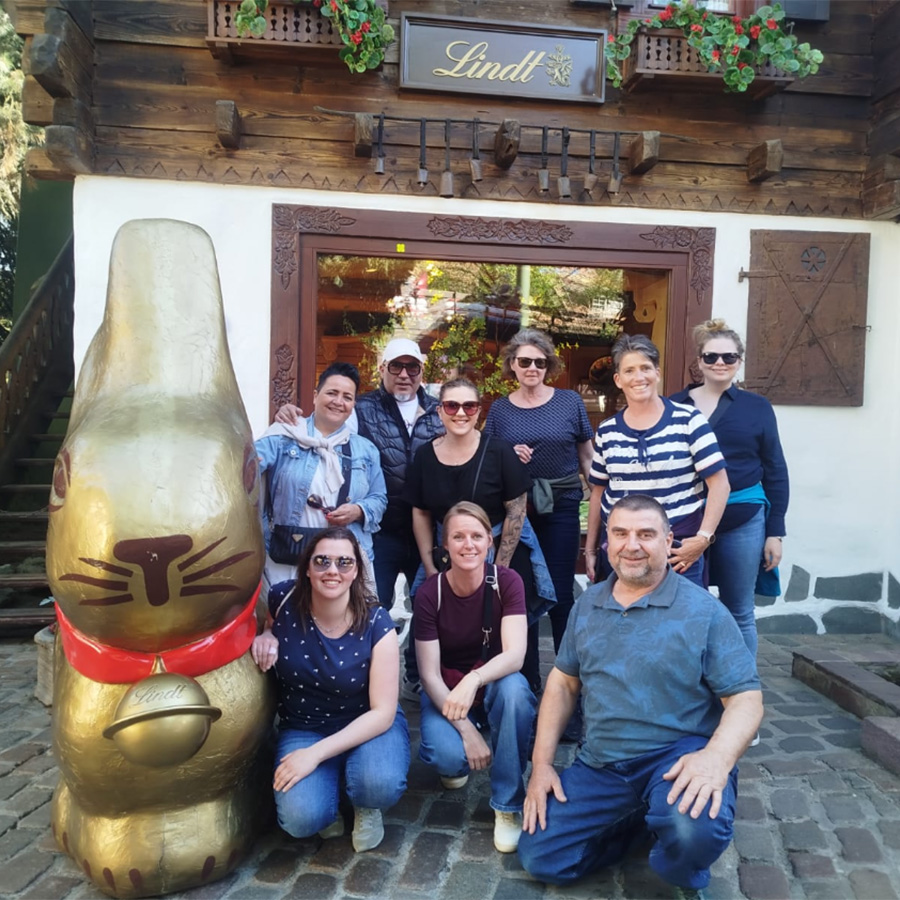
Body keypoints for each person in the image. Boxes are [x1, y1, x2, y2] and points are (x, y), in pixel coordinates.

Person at [518, 495, 763, 891]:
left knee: (693, 833)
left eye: (646, 534)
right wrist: (542, 765)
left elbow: (745, 699)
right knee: (542, 856)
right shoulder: (587, 606)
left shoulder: (704, 612)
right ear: (607, 542)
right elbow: (563, 684)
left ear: (668, 542)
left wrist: (716, 759)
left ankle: (677, 854)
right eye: (620, 533)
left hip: (677, 759)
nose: (631, 545)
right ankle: (647, 821)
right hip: (602, 764)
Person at [251, 527, 409, 852]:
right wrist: (265, 636)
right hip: (305, 725)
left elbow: (382, 713)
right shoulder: (282, 599)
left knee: (378, 784)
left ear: (356, 571)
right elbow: (269, 625)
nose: (332, 570)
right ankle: (327, 801)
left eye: (344, 562)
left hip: (366, 722)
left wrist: (314, 755)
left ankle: (365, 803)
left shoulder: (376, 622)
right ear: (307, 568)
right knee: (301, 820)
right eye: (321, 561)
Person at [403, 377, 556, 695]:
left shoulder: (499, 451)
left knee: (513, 621)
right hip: (448, 548)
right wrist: (429, 565)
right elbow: (420, 512)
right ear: (440, 411)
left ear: (479, 411)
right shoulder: (425, 456)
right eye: (452, 406)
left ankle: (519, 694)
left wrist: (498, 568)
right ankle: (444, 689)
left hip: (501, 546)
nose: (461, 413)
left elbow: (516, 509)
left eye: (469, 406)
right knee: (444, 620)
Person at [275, 339, 443, 614]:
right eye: (396, 366)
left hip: (428, 530)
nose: (404, 374)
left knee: (431, 609)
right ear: (382, 369)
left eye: (412, 367)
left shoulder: (440, 411)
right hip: (381, 531)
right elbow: (327, 437)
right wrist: (291, 418)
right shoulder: (360, 409)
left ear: (421, 372)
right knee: (370, 607)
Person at [415, 502, 536, 854]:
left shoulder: (507, 582)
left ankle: (507, 804)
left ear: (489, 542)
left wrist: (474, 679)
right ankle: (464, 746)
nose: (468, 544)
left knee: (515, 692)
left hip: (492, 681)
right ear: (445, 545)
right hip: (447, 689)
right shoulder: (430, 592)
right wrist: (467, 732)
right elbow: (428, 675)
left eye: (476, 536)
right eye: (458, 537)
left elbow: (515, 655)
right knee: (448, 758)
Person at [482, 328, 593, 710]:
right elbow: (488, 458)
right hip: (517, 512)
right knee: (522, 594)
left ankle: (568, 691)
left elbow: (587, 456)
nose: (532, 368)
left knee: (560, 595)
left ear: (550, 366)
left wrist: (602, 498)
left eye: (540, 362)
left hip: (562, 506)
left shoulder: (569, 402)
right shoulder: (500, 410)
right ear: (512, 365)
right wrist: (509, 454)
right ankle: (527, 687)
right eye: (525, 361)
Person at [670, 319, 789, 660]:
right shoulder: (675, 406)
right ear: (699, 361)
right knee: (685, 605)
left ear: (739, 360)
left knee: (739, 610)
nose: (720, 363)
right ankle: (691, 681)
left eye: (729, 357)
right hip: (688, 519)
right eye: (711, 357)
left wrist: (775, 533)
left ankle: (742, 684)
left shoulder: (757, 407)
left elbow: (775, 470)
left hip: (742, 517)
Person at [584, 334, 730, 588]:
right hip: (623, 550)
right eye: (629, 370)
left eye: (645, 368)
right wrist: (590, 549)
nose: (638, 377)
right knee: (624, 612)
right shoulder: (608, 431)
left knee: (682, 612)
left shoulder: (689, 420)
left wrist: (702, 538)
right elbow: (598, 493)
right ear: (618, 379)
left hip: (678, 550)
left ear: (657, 373)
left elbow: (720, 484)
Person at [256, 362, 387, 592]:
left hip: (342, 561)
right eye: (332, 393)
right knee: (289, 612)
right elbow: (246, 468)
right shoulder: (284, 436)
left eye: (347, 397)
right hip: (289, 555)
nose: (339, 401)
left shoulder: (366, 450)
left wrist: (358, 510)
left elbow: (379, 498)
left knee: (340, 614)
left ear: (353, 405)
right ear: (316, 396)